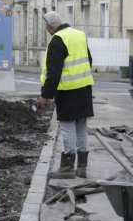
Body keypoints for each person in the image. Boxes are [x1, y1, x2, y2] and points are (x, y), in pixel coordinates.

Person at [36, 11, 94, 179]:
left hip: (67, 91)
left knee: (68, 129)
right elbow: (88, 60)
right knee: (81, 127)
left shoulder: (57, 40)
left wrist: (45, 95)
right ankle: (82, 167)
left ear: (49, 26)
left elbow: (54, 72)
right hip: (84, 89)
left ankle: (68, 167)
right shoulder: (79, 35)